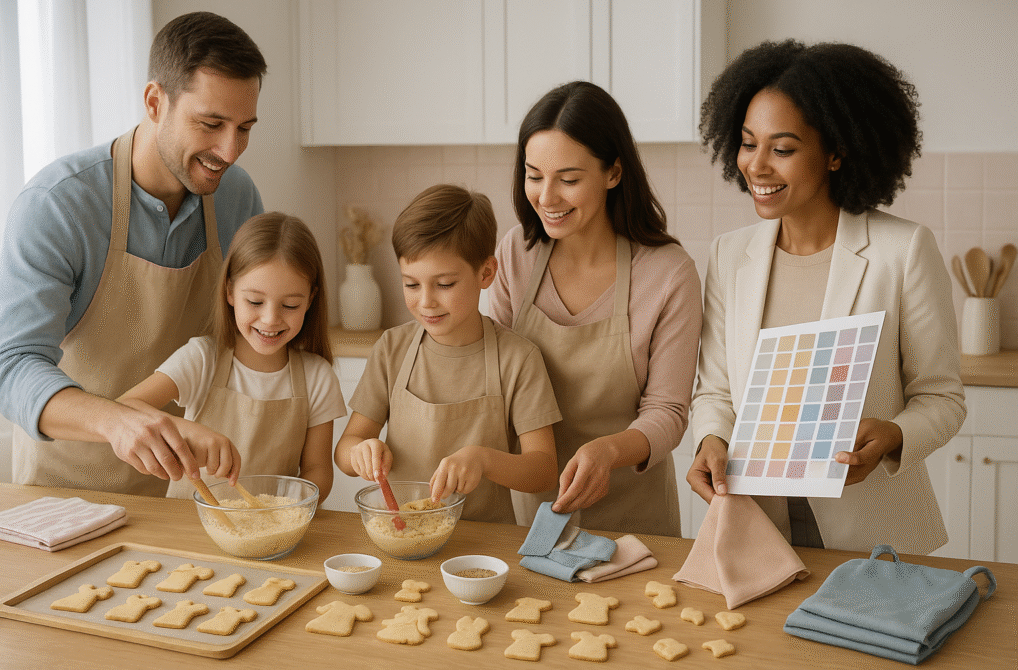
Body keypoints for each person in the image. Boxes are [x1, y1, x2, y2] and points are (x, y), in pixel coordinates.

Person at [688, 40, 966, 554]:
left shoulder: (902, 251)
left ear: (836, 152)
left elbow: (942, 399)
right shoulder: (729, 254)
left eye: (783, 149)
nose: (757, 165)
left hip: (873, 534)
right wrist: (711, 439)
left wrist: (894, 434)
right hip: (758, 526)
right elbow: (716, 391)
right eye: (748, 143)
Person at [0, 12, 267, 495]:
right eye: (210, 124)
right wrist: (116, 420)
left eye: (244, 128)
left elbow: (248, 333)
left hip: (183, 492)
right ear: (155, 102)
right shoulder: (58, 205)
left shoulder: (237, 198)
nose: (229, 151)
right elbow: (11, 368)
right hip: (68, 493)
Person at [488, 81, 703, 536]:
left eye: (568, 180)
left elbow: (668, 411)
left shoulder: (667, 273)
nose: (547, 197)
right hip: (532, 518)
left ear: (613, 173)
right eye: (533, 175)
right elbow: (493, 376)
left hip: (636, 523)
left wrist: (608, 451)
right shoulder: (516, 253)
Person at [335, 184, 560, 524]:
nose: (426, 301)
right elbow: (345, 449)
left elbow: (543, 471)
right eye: (411, 284)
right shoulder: (391, 349)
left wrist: (484, 460)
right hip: (402, 534)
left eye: (444, 284)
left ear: (485, 273)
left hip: (486, 543)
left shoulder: (519, 358)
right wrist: (359, 452)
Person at [120, 212, 344, 502]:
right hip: (188, 521)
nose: (270, 319)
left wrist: (288, 506)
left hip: (273, 523)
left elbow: (318, 470)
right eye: (255, 301)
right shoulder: (202, 359)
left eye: (290, 305)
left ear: (310, 300)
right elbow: (124, 409)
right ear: (229, 291)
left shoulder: (318, 377)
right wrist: (187, 430)